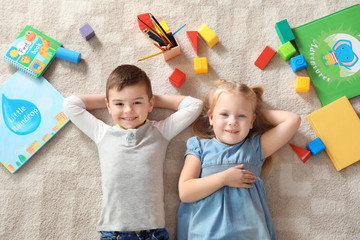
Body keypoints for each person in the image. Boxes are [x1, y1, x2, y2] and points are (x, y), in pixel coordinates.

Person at [63, 65, 203, 240]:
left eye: (137, 103)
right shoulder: (102, 133)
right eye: (120, 104)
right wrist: (111, 100)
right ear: (108, 105)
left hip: (152, 231)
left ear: (150, 103)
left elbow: (194, 105)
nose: (128, 110)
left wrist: (150, 99)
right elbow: (70, 104)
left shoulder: (160, 132)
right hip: (114, 231)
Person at [176, 80, 301, 240]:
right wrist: (224, 178)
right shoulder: (199, 147)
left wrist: (252, 108)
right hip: (206, 232)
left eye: (241, 116)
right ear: (211, 118)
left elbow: (293, 120)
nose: (232, 121)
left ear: (251, 121)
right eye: (224, 114)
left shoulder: (255, 148)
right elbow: (185, 192)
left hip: (248, 233)